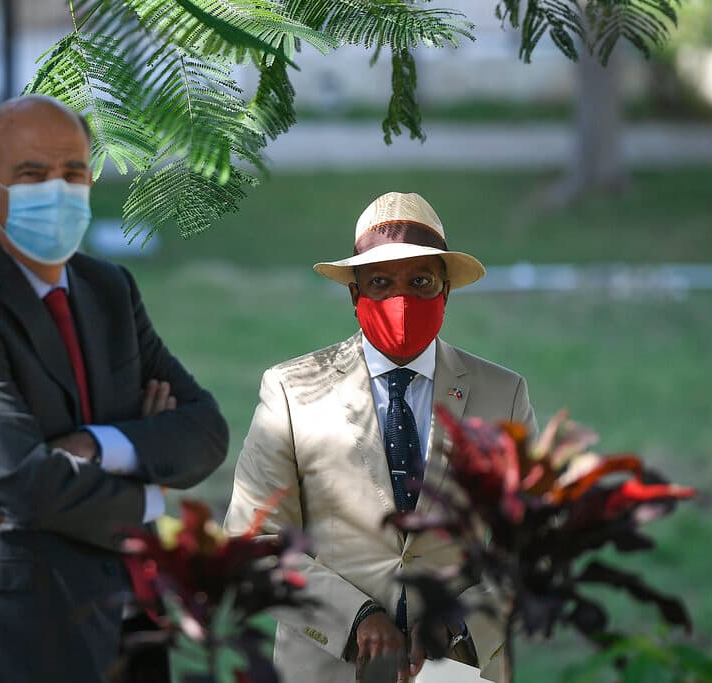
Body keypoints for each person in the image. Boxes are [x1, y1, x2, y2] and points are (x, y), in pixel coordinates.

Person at [0, 94, 228, 682]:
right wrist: (150, 492)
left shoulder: (109, 291)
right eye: (32, 174)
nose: (58, 189)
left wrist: (96, 446)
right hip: (6, 648)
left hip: (131, 631)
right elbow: (28, 485)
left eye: (73, 171)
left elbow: (204, 431)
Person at [223, 192, 537, 683]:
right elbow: (253, 541)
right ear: (355, 295)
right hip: (326, 667)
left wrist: (462, 624)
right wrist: (355, 619)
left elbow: (533, 540)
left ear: (446, 292)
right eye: (381, 283)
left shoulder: (504, 394)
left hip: (458, 669)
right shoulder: (291, 390)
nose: (402, 300)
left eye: (420, 282)